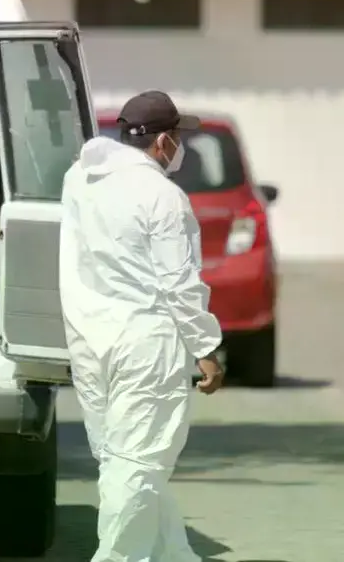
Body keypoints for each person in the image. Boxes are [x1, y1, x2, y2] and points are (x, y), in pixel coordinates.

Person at [59, 90, 225, 562]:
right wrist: (205, 347)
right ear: (164, 142)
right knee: (138, 462)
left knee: (124, 461)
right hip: (144, 342)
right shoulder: (163, 196)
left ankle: (172, 554)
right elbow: (179, 283)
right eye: (178, 137)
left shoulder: (79, 179)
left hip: (90, 340)